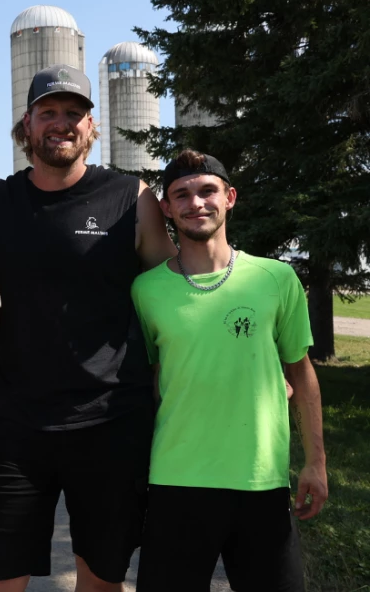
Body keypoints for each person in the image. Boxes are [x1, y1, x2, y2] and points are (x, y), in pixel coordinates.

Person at [0, 64, 178, 592]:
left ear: (91, 125)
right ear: (27, 124)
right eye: (48, 113)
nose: (61, 123)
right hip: (18, 424)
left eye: (73, 113)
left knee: (101, 579)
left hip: (112, 422)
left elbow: (172, 300)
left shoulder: (131, 197)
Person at [131, 150, 327, 591]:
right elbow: (151, 381)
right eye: (181, 195)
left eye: (207, 191)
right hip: (176, 481)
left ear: (230, 197)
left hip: (260, 481)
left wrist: (315, 463)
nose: (196, 203)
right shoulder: (145, 291)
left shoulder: (276, 278)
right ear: (166, 208)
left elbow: (301, 374)